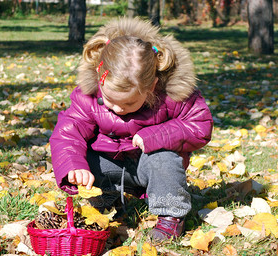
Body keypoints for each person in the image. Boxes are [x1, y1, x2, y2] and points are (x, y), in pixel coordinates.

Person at [50, 17, 213, 241]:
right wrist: (73, 166)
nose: (118, 108)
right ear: (100, 77)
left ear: (152, 87)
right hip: (110, 163)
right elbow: (68, 134)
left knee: (164, 159)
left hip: (148, 164)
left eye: (128, 104)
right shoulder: (88, 96)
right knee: (86, 157)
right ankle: (106, 199)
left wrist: (156, 136)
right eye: (110, 100)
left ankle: (170, 216)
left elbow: (200, 125)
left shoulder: (172, 97)